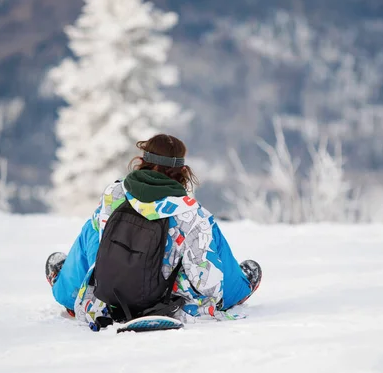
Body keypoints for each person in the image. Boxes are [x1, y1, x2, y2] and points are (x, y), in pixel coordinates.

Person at [45, 134, 261, 325]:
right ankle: (241, 285)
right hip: (165, 304)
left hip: (107, 298)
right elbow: (207, 285)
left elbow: (97, 251)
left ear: (141, 162)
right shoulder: (191, 214)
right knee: (211, 238)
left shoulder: (114, 194)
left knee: (93, 230)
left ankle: (69, 291)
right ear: (183, 172)